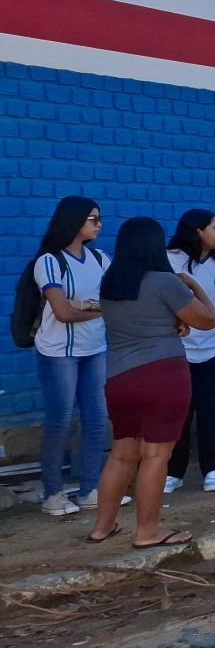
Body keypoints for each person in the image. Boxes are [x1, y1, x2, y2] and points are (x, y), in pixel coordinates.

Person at [86, 217, 215, 548]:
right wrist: (192, 284)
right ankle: (147, 531)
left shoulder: (111, 284)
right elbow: (208, 320)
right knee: (156, 454)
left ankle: (102, 527)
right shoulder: (165, 282)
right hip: (162, 375)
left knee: (121, 454)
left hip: (118, 378)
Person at [23, 196, 112, 516]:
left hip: (95, 349)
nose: (99, 224)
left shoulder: (101, 259)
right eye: (92, 219)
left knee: (97, 419)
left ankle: (90, 488)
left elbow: (117, 302)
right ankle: (53, 494)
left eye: (99, 218)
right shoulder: (49, 261)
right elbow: (61, 312)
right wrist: (94, 307)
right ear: (73, 221)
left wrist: (87, 306)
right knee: (60, 420)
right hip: (58, 352)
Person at [164, 209, 215, 494]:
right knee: (179, 410)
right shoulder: (170, 260)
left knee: (211, 407)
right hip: (179, 347)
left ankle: (214, 468)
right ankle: (174, 471)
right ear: (198, 231)